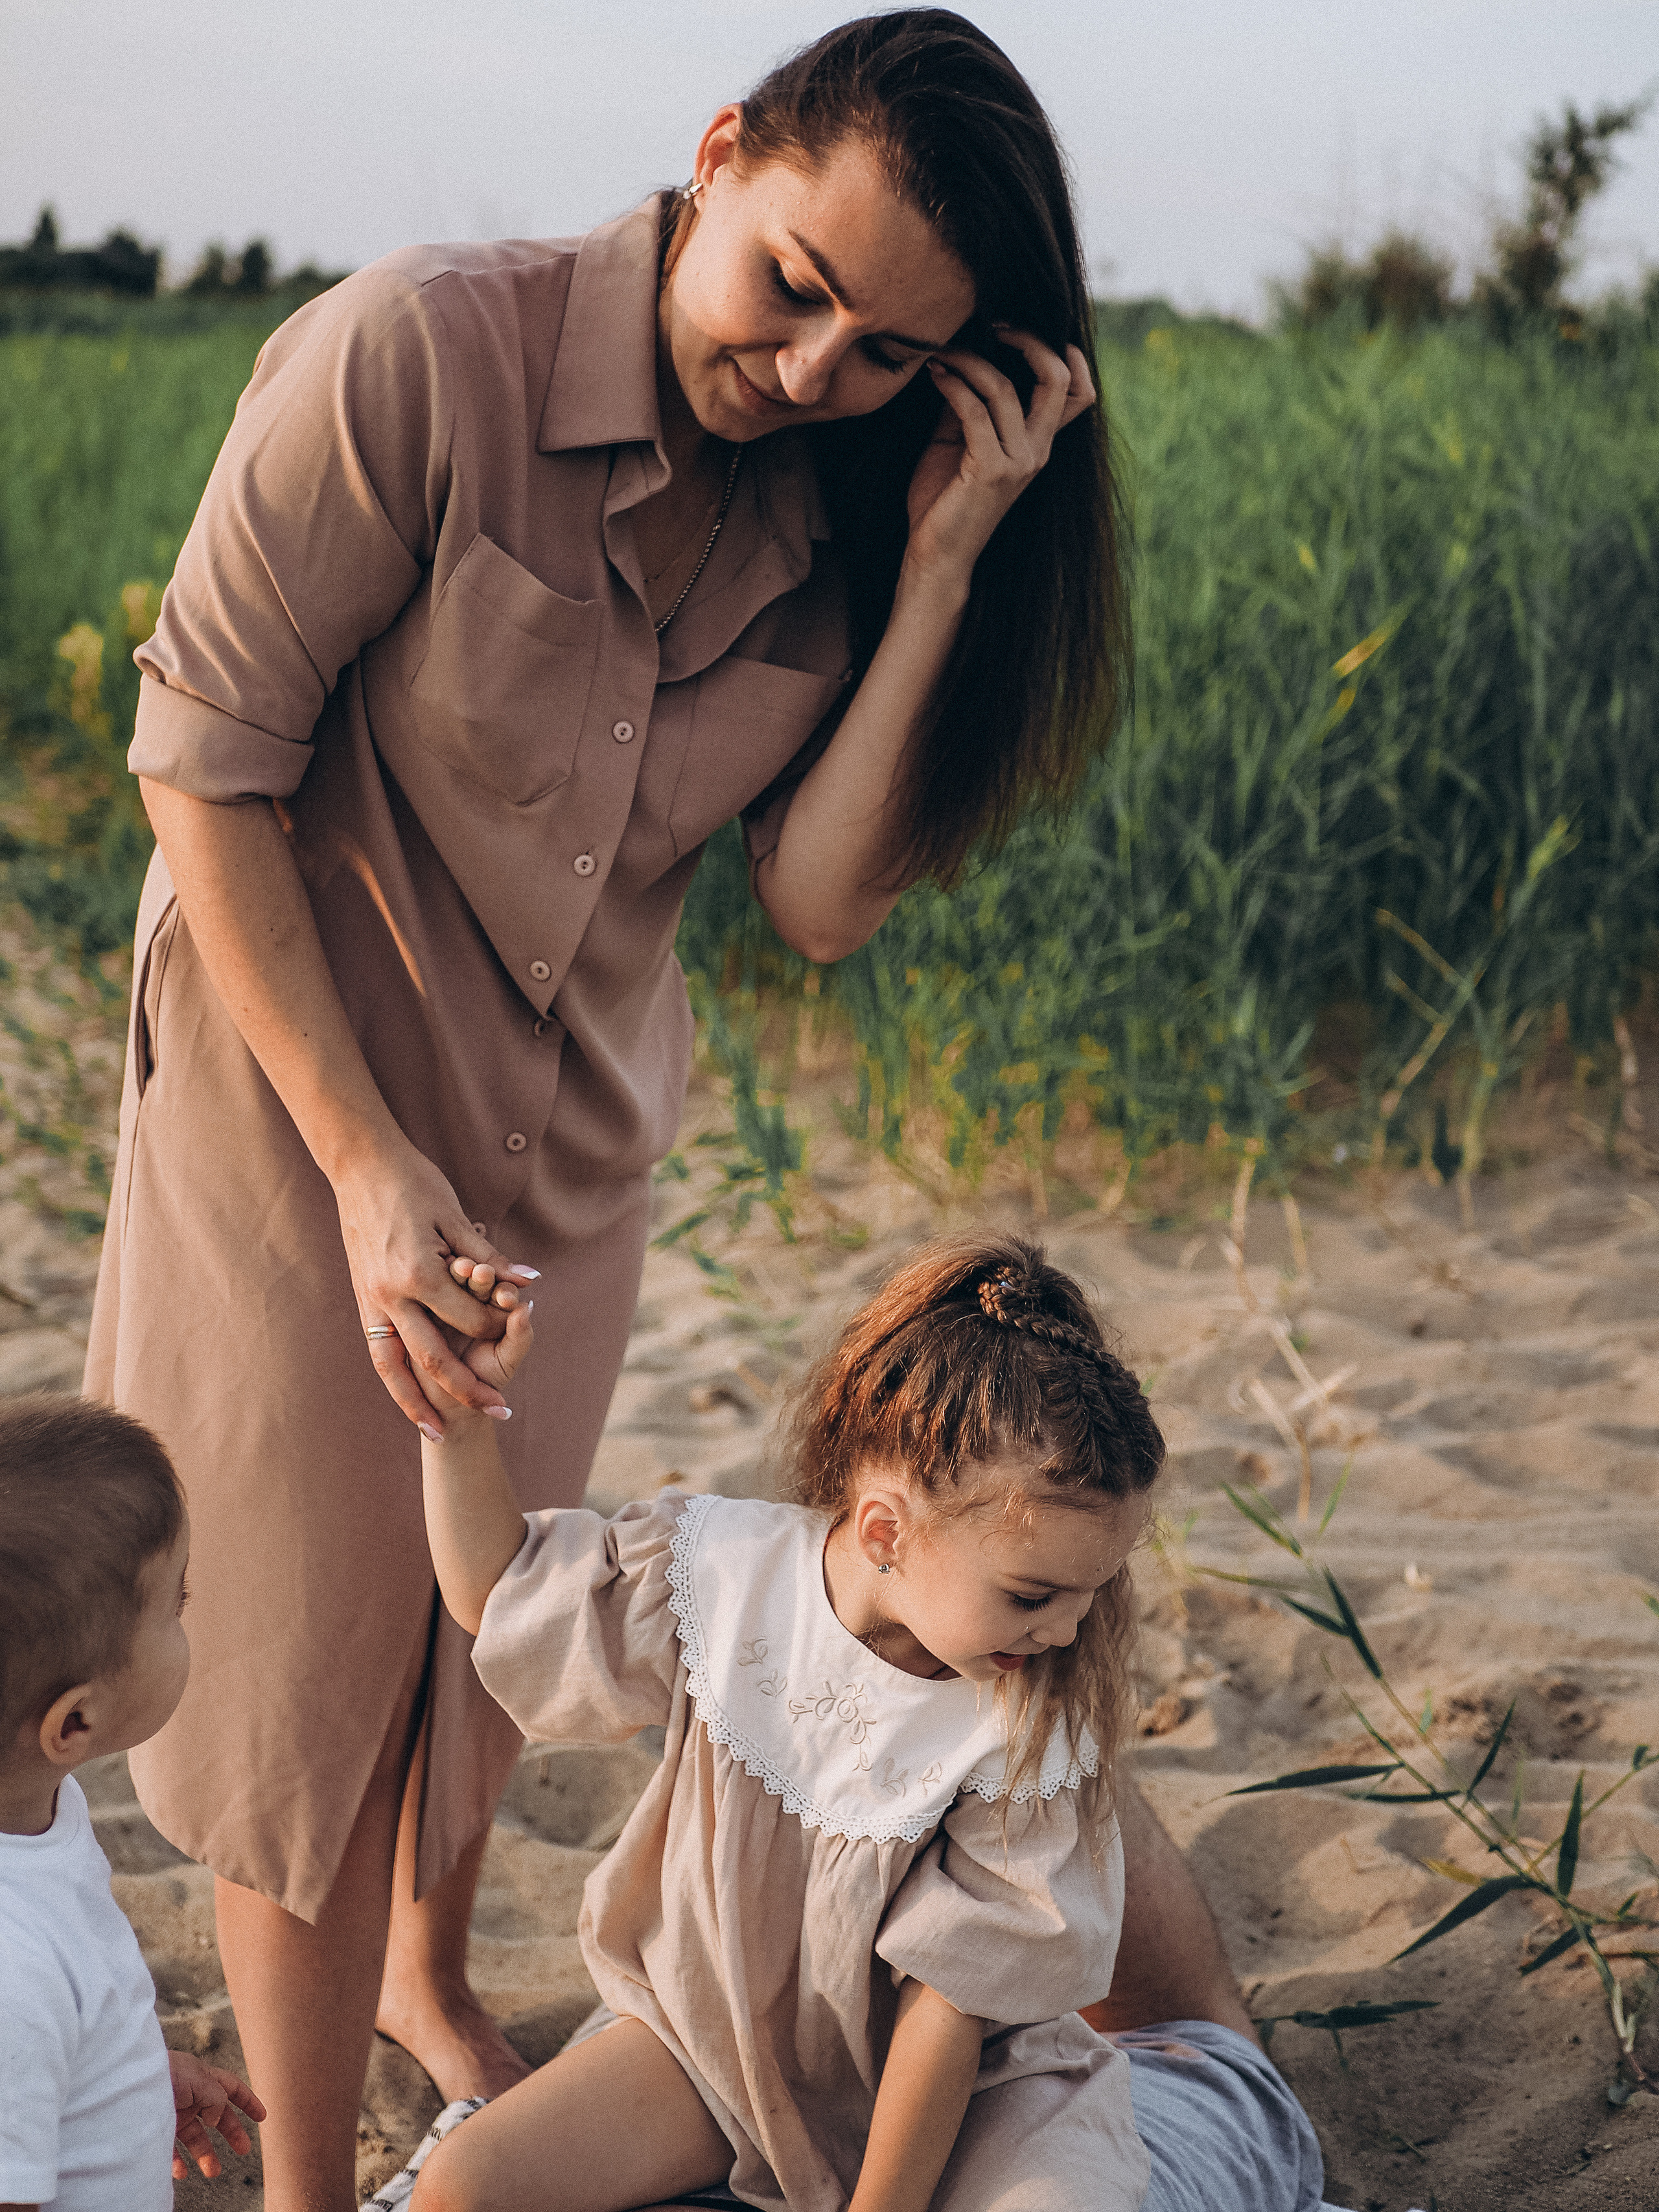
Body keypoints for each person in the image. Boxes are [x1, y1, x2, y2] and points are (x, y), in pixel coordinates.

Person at [86, 14, 1129, 2207]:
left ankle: (420, 1972)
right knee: (296, 1659)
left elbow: (818, 901)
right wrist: (366, 1167)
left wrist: (940, 556)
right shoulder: (416, 360)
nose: (818, 365)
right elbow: (202, 763)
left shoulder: (844, 509)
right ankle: (293, 2173)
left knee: (486, 1632)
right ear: (723, 150)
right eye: (794, 287)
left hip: (563, 1142)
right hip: (306, 1118)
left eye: (888, 352)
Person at [380, 1232, 1330, 2212]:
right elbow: (499, 1592)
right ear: (886, 1531)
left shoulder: (1023, 1717)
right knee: (468, 2185)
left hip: (972, 2094)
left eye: (1094, 1589)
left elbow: (948, 2003)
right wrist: (457, 1419)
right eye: (1033, 1593)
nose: (1070, 1628)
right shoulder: (721, 1576)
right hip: (721, 2050)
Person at [0, 1396, 265, 2211]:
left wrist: (124, 2074)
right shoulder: (12, 1972)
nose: (190, 1618)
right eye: (173, 1608)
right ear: (73, 1721)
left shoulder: (34, 1813)